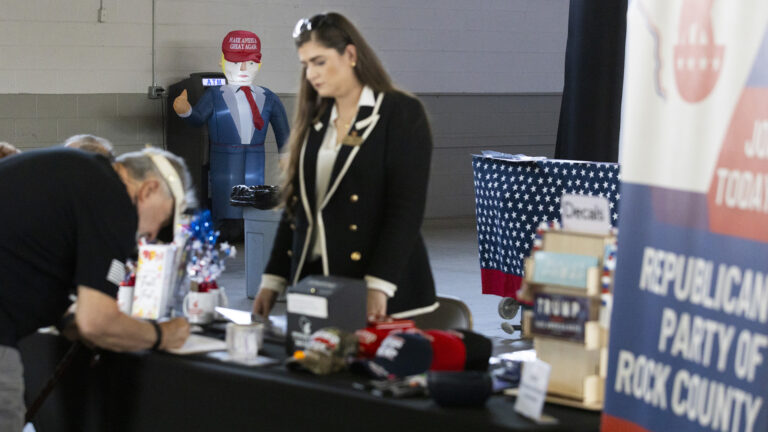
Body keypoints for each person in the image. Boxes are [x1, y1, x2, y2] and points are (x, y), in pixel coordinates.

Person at [252, 12, 437, 321]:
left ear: (350, 54)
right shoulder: (315, 118)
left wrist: (379, 284)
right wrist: (273, 279)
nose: (311, 73)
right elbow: (296, 207)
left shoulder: (400, 112)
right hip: (313, 282)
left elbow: (406, 210)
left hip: (377, 284)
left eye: (319, 61)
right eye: (306, 64)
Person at [0, 146, 194, 431]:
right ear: (149, 189)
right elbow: (96, 322)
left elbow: (30, 258)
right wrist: (162, 335)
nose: (152, 236)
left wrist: (66, 318)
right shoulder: (114, 200)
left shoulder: (81, 173)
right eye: (162, 222)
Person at [173, 30, 290, 234]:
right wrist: (186, 111)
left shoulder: (268, 96)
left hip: (255, 155)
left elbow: (283, 130)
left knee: (254, 195)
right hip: (224, 156)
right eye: (236, 62)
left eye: (250, 63)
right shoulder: (214, 95)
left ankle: (252, 229)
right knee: (224, 194)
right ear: (223, 63)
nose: (243, 68)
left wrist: (287, 154)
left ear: (259, 65)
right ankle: (223, 230)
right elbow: (198, 118)